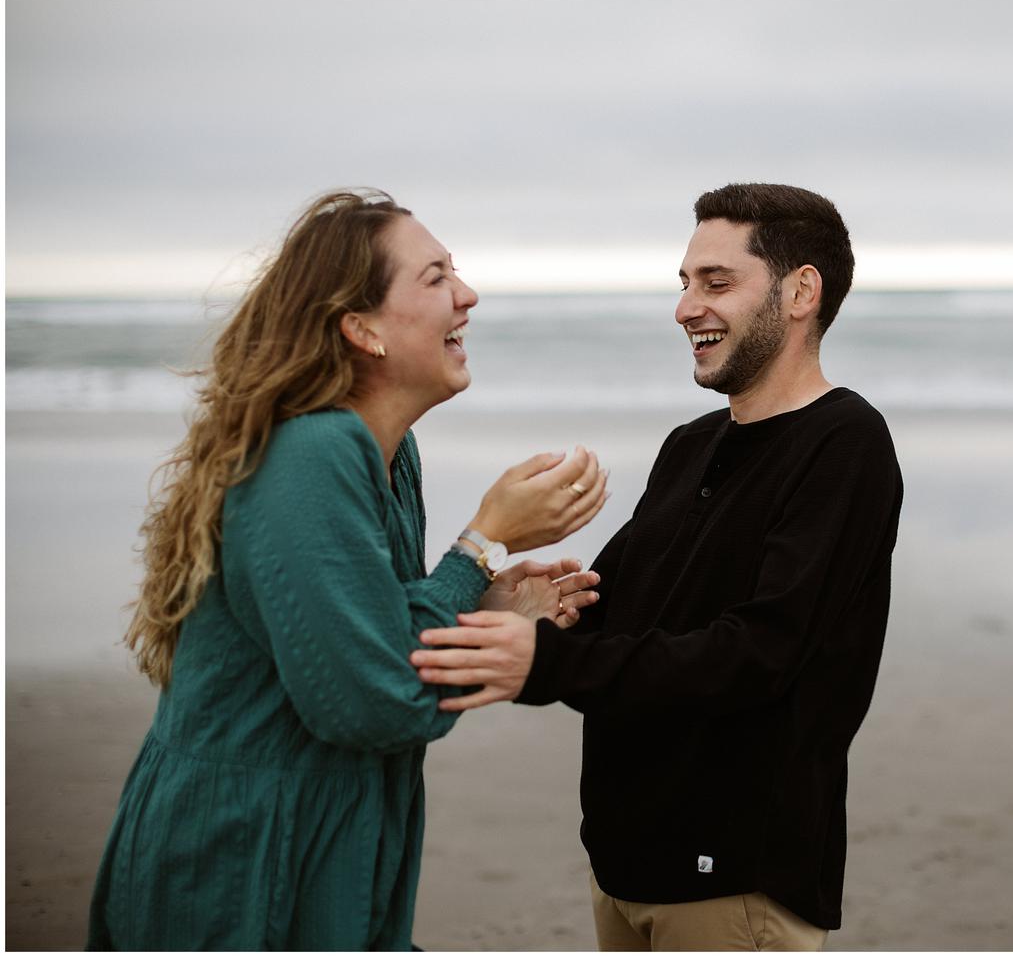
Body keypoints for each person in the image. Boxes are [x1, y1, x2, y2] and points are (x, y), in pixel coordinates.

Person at [86, 189, 608, 951]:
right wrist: (482, 542)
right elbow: (375, 700)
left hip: (331, 837)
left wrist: (489, 606)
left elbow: (374, 638)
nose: (468, 294)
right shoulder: (311, 452)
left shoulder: (389, 455)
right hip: (242, 859)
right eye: (435, 278)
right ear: (361, 329)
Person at [411, 182, 904, 950]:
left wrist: (543, 667)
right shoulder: (691, 446)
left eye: (716, 282)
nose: (685, 308)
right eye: (684, 284)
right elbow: (623, 613)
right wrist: (546, 608)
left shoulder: (844, 443)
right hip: (624, 865)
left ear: (801, 290)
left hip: (736, 880)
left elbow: (760, 655)